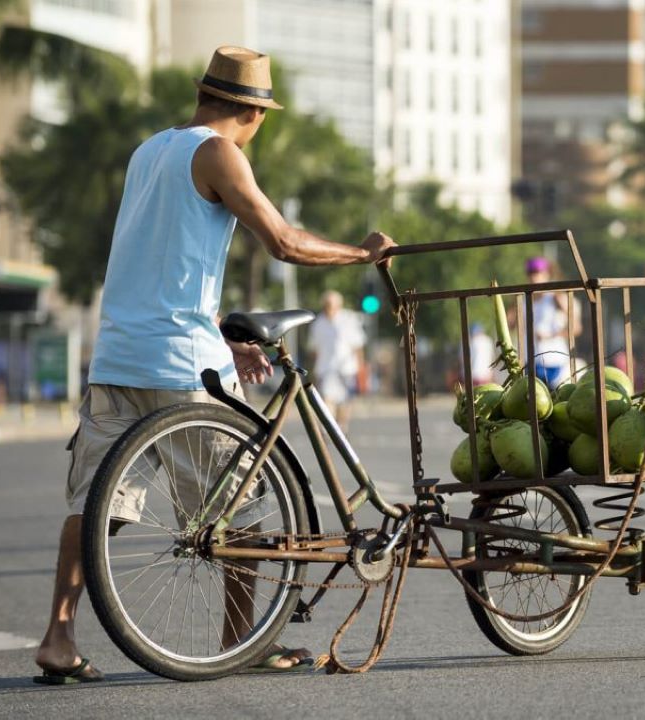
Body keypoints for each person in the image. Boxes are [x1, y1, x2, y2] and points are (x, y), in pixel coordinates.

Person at [34, 46, 396, 684]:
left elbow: (160, 263)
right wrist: (360, 254)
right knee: (245, 504)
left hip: (119, 356)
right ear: (253, 112)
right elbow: (282, 241)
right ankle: (243, 640)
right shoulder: (221, 154)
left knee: (94, 504)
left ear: (204, 94)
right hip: (180, 368)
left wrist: (222, 338)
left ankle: (59, 637)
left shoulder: (150, 150)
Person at [309, 290, 366, 430]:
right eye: (327, 304)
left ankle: (342, 426)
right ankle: (330, 427)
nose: (329, 307)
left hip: (346, 368)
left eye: (332, 304)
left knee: (345, 402)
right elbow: (315, 349)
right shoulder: (318, 323)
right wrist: (314, 369)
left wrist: (361, 367)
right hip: (326, 368)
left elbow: (357, 346)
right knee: (327, 398)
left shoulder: (348, 319)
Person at [522, 256, 579, 388]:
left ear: (546, 274)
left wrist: (550, 335)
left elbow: (576, 327)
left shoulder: (555, 297)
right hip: (530, 361)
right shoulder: (523, 299)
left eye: (537, 273)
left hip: (554, 361)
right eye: (530, 273)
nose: (533, 277)